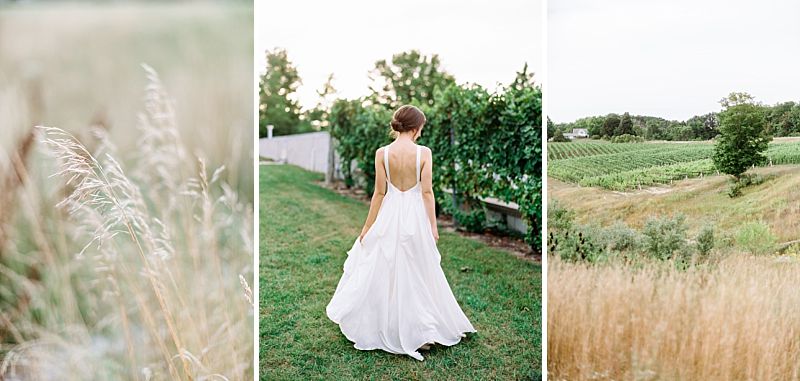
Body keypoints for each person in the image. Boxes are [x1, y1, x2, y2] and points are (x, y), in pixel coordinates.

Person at [326, 105, 476, 361]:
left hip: (390, 214)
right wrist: (433, 225)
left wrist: (367, 227)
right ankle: (422, 329)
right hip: (415, 216)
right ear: (416, 128)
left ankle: (387, 324)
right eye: (422, 129)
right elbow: (427, 192)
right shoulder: (424, 153)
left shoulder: (382, 154)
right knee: (418, 270)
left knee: (387, 268)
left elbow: (379, 193)